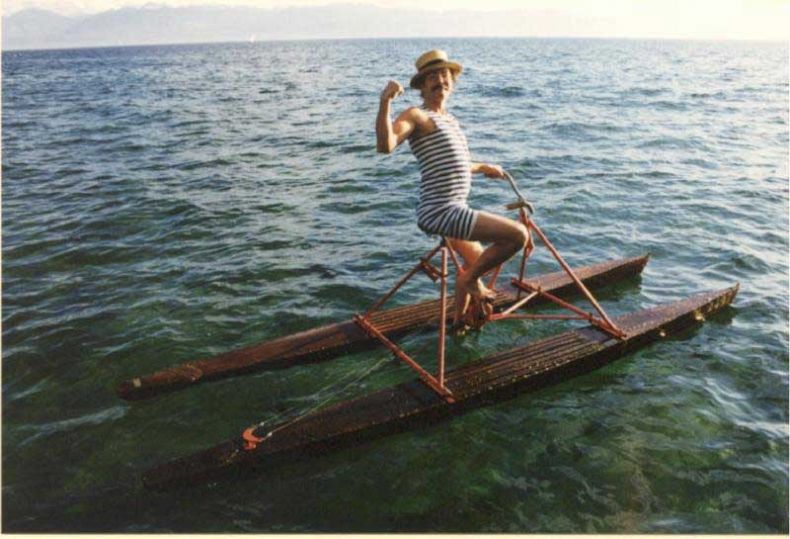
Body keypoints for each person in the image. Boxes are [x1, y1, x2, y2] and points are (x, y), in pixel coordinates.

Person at [375, 49, 528, 324]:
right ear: (421, 86)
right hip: (441, 211)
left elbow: (456, 163)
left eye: (445, 75)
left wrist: (483, 167)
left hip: (454, 208)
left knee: (478, 259)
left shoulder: (450, 121)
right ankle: (470, 281)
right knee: (518, 236)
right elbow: (385, 145)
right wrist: (385, 101)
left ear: (452, 83)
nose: (440, 80)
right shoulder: (417, 116)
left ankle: (459, 322)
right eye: (431, 76)